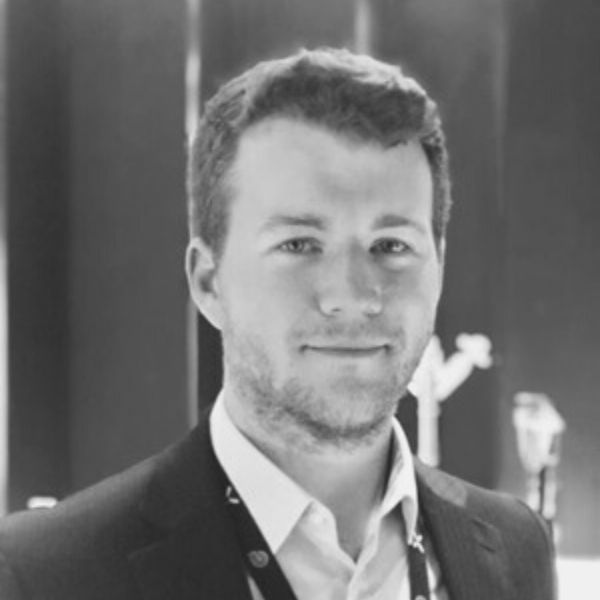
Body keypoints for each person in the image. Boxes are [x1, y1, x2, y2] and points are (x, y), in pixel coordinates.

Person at [0, 47, 556, 600]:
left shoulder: (514, 546)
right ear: (209, 282)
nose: (352, 296)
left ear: (439, 268)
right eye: (299, 244)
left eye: (391, 245)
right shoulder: (47, 573)